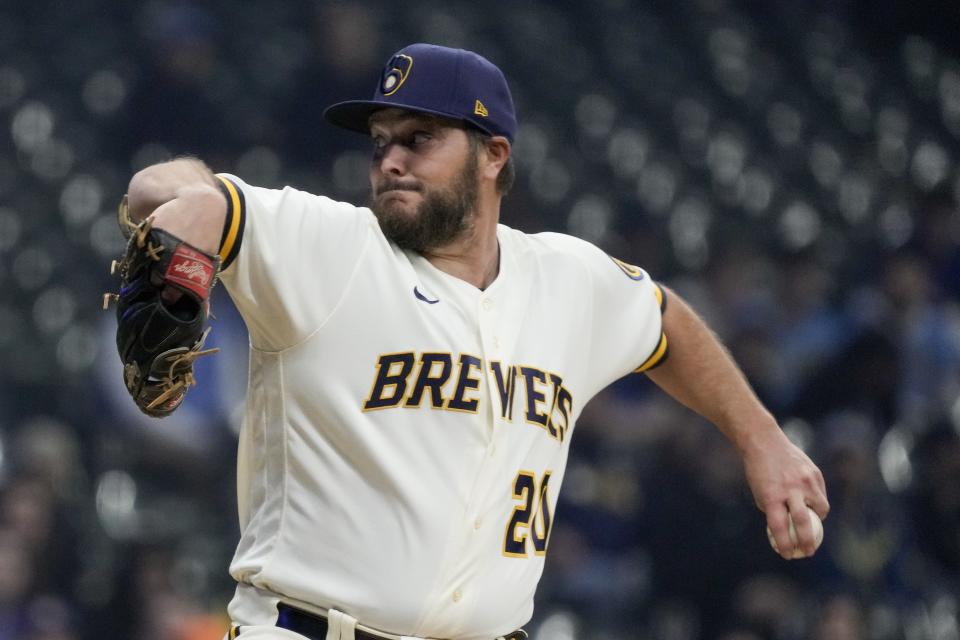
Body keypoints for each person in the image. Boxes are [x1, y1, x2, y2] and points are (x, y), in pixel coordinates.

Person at [119, 43, 829, 640]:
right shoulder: (331, 247)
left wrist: (761, 440)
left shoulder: (567, 280)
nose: (391, 160)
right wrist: (202, 203)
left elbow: (666, 321)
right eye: (380, 142)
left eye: (419, 139)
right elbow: (161, 186)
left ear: (493, 155)